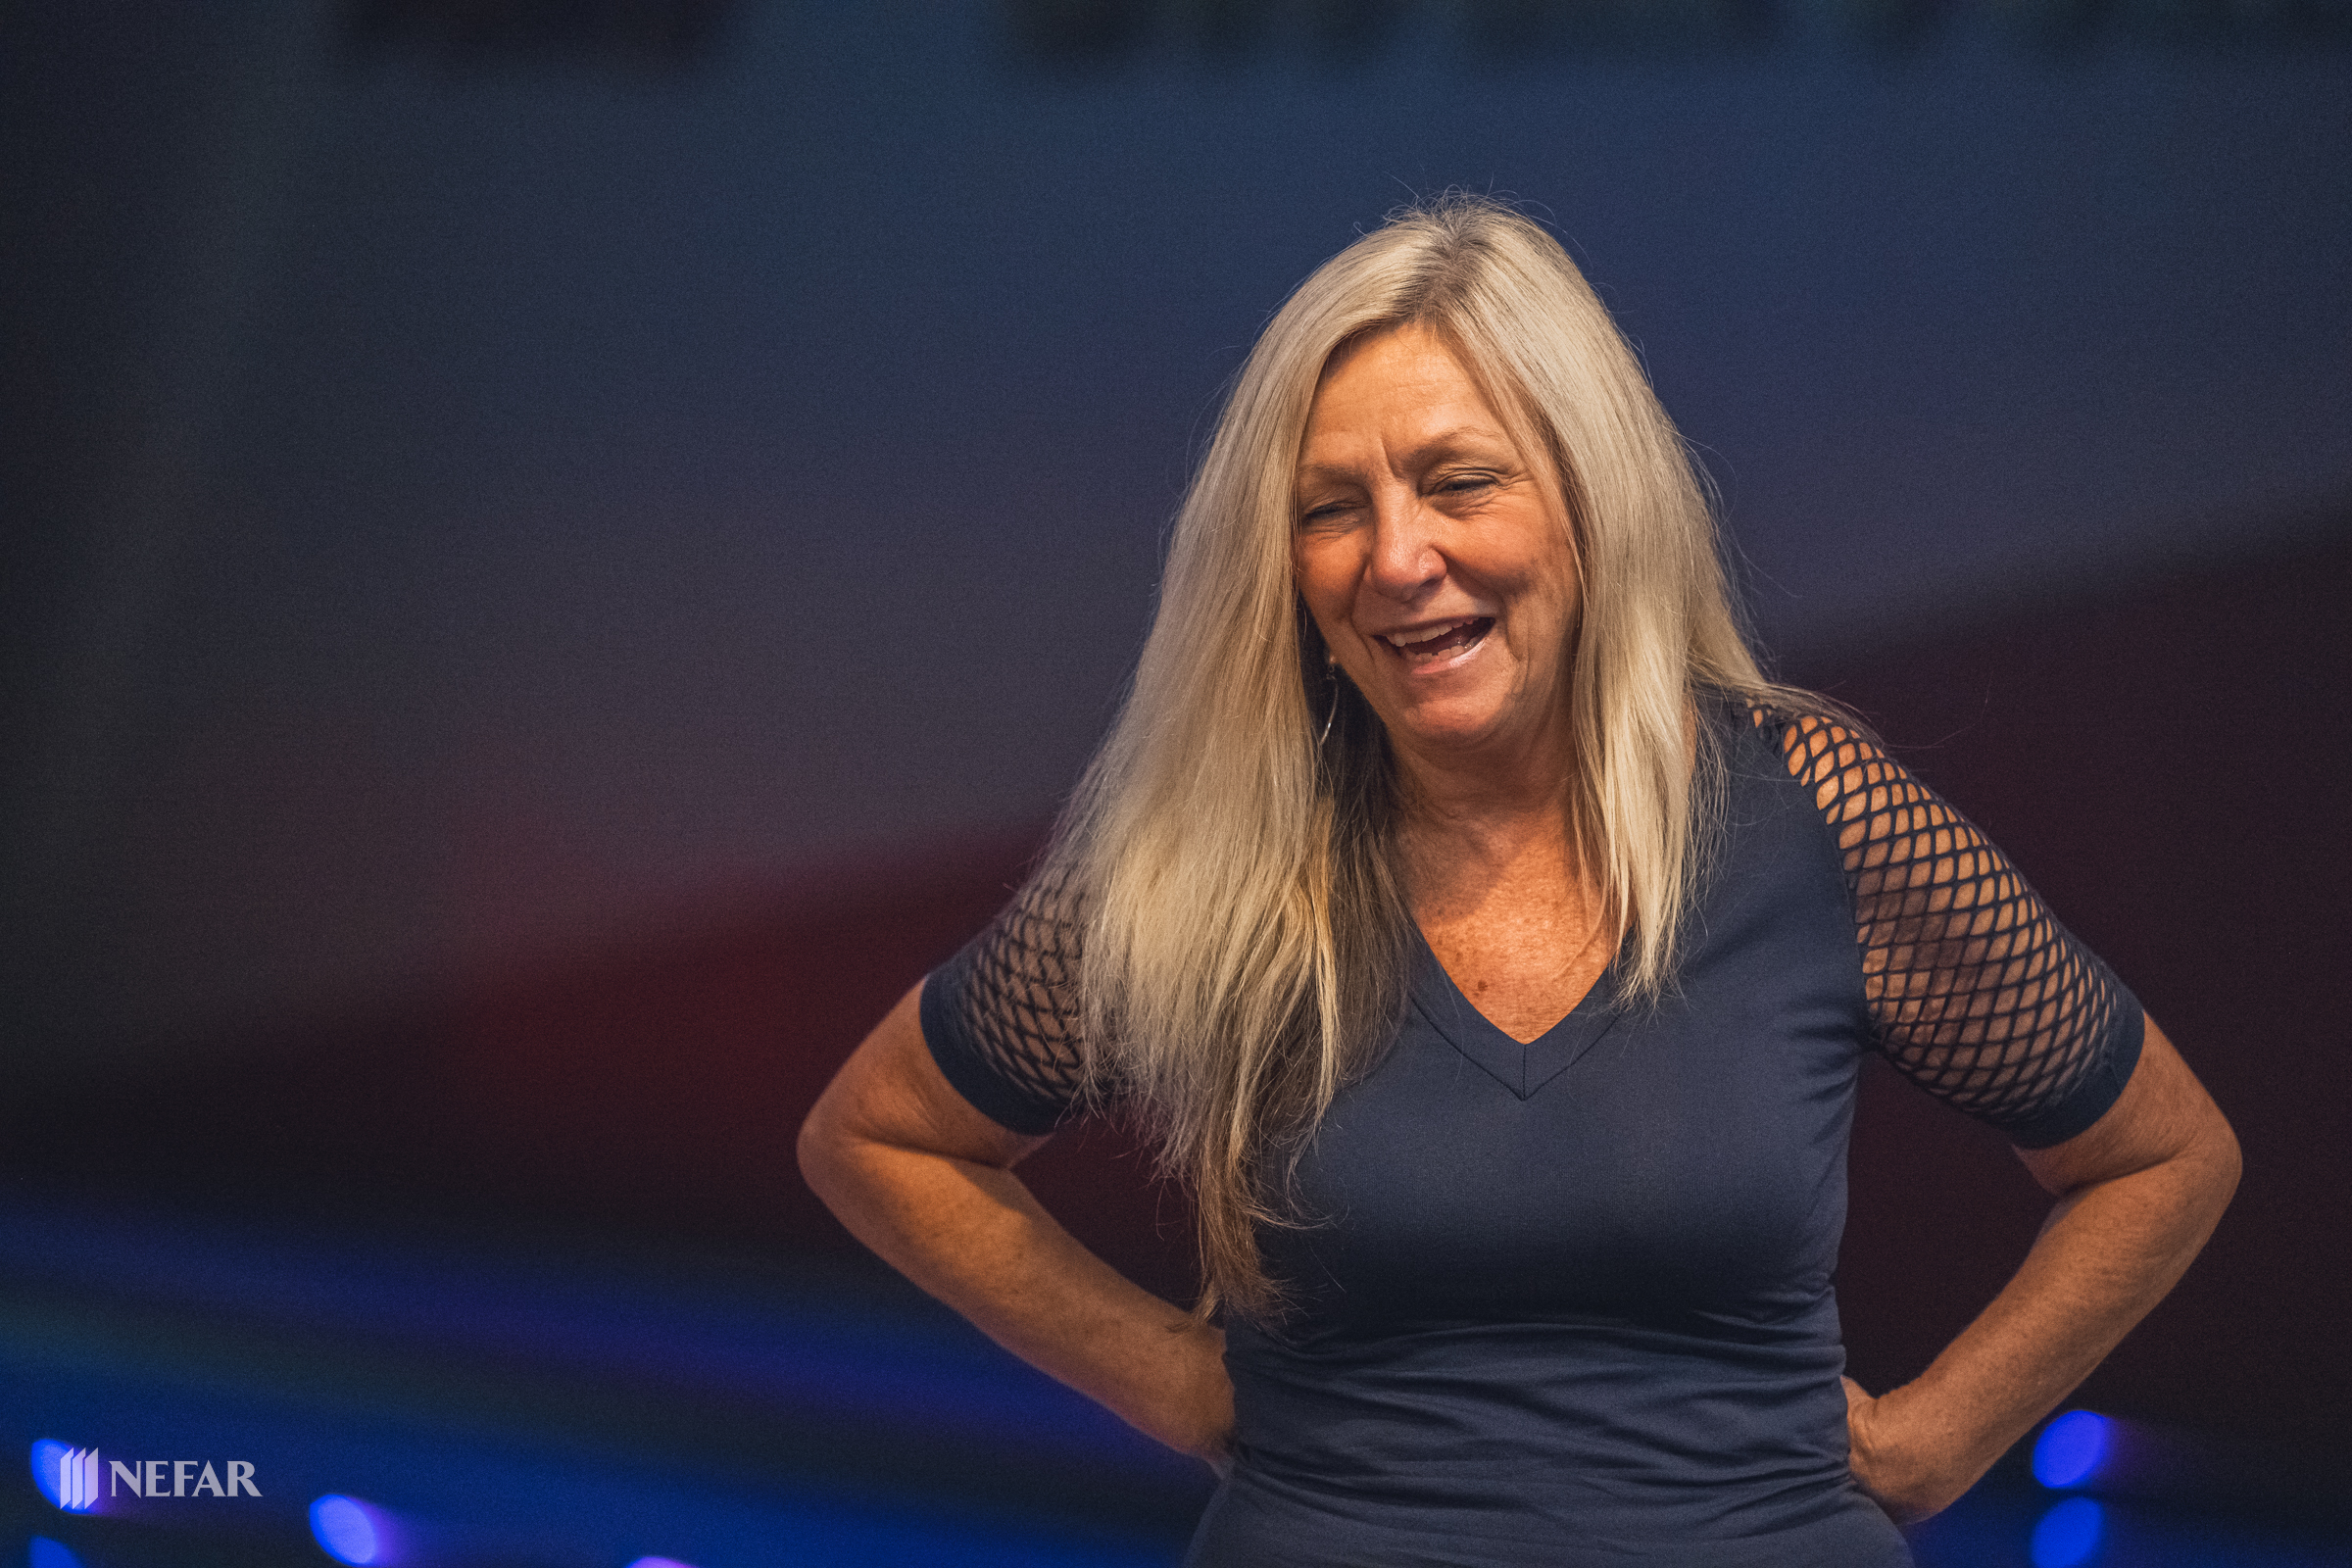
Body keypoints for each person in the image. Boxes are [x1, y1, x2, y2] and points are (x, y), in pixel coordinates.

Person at [797, 197, 2239, 1565]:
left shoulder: (1810, 811)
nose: (1397, 558)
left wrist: (1939, 1439)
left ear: (1589, 500)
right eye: (1330, 508)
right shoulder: (1222, 855)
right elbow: (884, 1136)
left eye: (1458, 483)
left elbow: (2162, 1157)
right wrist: (1174, 1383)